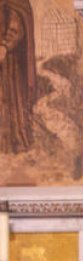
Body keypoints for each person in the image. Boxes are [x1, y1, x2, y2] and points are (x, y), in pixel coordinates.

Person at [0, 0, 35, 154]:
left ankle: (12, 142)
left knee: (10, 99)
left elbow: (17, 25)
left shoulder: (16, 3)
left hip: (9, 61)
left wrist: (5, 45)